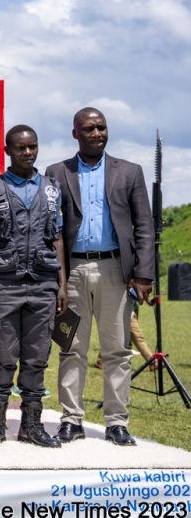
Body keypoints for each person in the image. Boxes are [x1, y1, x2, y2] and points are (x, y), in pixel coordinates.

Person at [45, 107, 154, 446]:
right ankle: (71, 420)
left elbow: (145, 227)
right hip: (73, 270)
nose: (97, 134)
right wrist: (57, 278)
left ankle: (116, 423)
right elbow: (50, 229)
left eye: (101, 128)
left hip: (116, 272)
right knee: (70, 348)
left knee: (117, 350)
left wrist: (144, 275)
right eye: (89, 128)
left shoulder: (130, 172)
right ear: (75, 133)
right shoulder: (57, 172)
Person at [0, 125, 65, 448]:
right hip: (3, 284)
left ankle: (31, 426)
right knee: (3, 358)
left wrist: (62, 284)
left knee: (37, 358)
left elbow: (57, 239)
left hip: (43, 284)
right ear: (7, 150)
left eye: (33, 147)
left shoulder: (52, 189)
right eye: (20, 148)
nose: (27, 153)